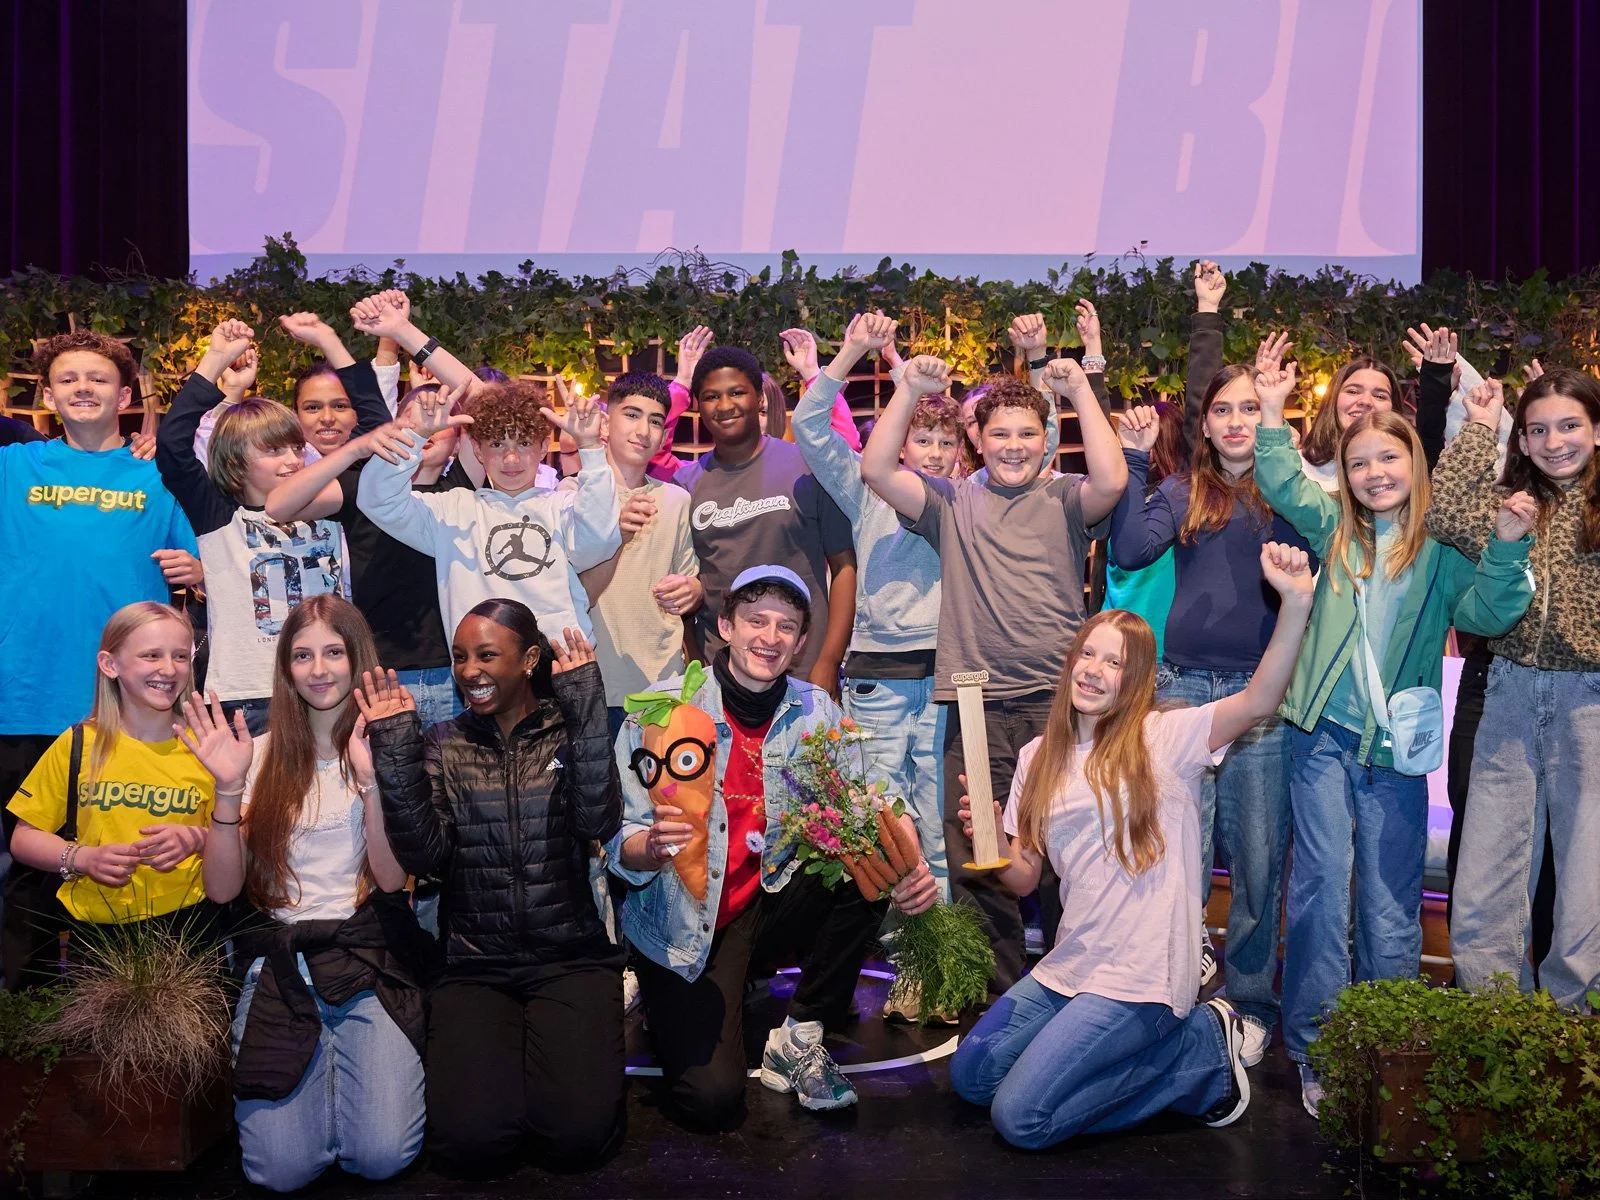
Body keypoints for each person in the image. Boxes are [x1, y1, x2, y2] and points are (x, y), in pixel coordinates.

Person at [948, 542, 1315, 1149]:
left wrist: (1296, 602)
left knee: (1023, 1120)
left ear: (1137, 677)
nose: (1093, 670)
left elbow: (1260, 701)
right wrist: (987, 836)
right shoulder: (1039, 758)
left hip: (1141, 977)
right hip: (1071, 966)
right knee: (974, 1078)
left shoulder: (1166, 737)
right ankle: (1166, 1053)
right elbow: (1022, 878)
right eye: (1087, 654)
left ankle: (1199, 1058)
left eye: (1114, 663)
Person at [1253, 363, 1537, 1117]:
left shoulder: (1440, 547)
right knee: (1316, 894)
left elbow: (1486, 613)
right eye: (1358, 462)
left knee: (1389, 904)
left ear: (1414, 462)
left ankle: (1388, 1042)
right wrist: (1274, 410)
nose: (1375, 472)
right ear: (1343, 474)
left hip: (1396, 755)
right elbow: (1282, 481)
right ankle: (1316, 1048)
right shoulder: (1333, 526)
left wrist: (1507, 547)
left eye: (1389, 458)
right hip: (1321, 740)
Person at [610, 566, 937, 1128]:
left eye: (786, 626)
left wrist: (913, 868)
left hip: (766, 900)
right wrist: (653, 848)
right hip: (685, 922)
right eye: (756, 621)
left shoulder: (816, 712)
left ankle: (801, 1031)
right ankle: (658, 982)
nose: (770, 637)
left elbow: (865, 805)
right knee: (711, 1102)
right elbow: (618, 840)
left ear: (802, 641)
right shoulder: (659, 714)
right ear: (726, 627)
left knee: (867, 858)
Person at [861, 345, 1127, 996]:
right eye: (999, 432)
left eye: (1027, 433)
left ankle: (1079, 990)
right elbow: (875, 467)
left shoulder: (1066, 498)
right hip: (977, 707)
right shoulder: (951, 503)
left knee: (1068, 848)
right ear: (976, 439)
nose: (1012, 445)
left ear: (1046, 440)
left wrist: (1080, 391)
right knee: (983, 855)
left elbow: (1114, 481)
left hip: (1058, 706)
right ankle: (997, 1003)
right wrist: (907, 387)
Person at [1109, 344, 1318, 1068]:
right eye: (1222, 409)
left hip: (1260, 700)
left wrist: (1278, 424)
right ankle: (1175, 998)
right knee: (1176, 863)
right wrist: (1136, 459)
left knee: (1258, 862)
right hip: (1181, 694)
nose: (1235, 421)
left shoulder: (1287, 490)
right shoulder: (1186, 489)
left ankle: (1253, 1004)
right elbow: (1131, 549)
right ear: (1204, 423)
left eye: (1247, 409)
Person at [367, 600, 625, 1176]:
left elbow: (596, 822)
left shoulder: (567, 726)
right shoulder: (444, 742)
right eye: (460, 658)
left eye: (487, 655)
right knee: (472, 1147)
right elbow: (424, 856)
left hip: (570, 959)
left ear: (530, 659)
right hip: (474, 964)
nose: (469, 670)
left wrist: (584, 708)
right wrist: (394, 752)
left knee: (578, 1140)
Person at [179, 596, 426, 1192]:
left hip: (367, 962)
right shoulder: (254, 755)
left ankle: (353, 1085)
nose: (319, 669)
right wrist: (229, 789)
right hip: (280, 970)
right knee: (279, 1172)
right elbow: (222, 889)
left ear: (357, 658)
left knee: (382, 1156)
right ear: (286, 668)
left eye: (334, 653)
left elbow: (392, 881)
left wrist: (372, 782)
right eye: (303, 655)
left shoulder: (390, 749)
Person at [1428, 371, 1600, 1010]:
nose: (1555, 442)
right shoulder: (1512, 503)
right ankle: (1497, 1026)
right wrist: (1477, 429)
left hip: (1592, 702)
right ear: (1521, 442)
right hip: (1509, 692)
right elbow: (1442, 511)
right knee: (1486, 877)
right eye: (1538, 430)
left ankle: (1571, 1030)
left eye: (1569, 425)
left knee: (1587, 881)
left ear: (1596, 429)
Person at [0, 332, 201, 833]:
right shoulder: (13, 467)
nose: (82, 387)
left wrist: (200, 572)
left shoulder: (159, 474)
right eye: (67, 379)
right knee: (29, 871)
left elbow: (208, 563)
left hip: (124, 703)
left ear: (125, 397)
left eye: (98, 378)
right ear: (47, 396)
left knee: (122, 859)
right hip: (25, 694)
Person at [787, 314, 958, 893]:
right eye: (922, 439)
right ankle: (901, 951)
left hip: (945, 682)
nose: (934, 453)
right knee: (879, 825)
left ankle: (942, 969)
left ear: (964, 450)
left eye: (946, 442)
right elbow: (809, 425)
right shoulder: (866, 488)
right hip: (875, 683)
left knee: (938, 828)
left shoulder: (972, 496)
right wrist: (852, 351)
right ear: (900, 442)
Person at [155, 317, 390, 735]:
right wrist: (216, 359)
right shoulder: (218, 512)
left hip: (333, 688)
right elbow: (173, 443)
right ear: (234, 461)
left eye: (296, 448)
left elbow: (376, 427)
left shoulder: (329, 502)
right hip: (251, 694)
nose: (292, 461)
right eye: (273, 450)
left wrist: (328, 339)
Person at [7, 603, 215, 984]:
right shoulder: (79, 744)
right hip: (93, 940)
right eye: (151, 655)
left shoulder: (209, 748)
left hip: (188, 935)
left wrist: (199, 838)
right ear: (110, 664)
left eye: (181, 656)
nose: (169, 669)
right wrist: (82, 858)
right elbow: (23, 837)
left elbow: (246, 834)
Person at [357, 360, 620, 648]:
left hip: (563, 664)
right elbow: (377, 501)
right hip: (481, 667)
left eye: (523, 443)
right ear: (478, 451)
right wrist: (414, 436)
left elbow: (600, 540)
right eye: (497, 445)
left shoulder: (564, 506)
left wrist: (591, 448)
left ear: (544, 448)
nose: (511, 458)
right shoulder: (452, 510)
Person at [265, 376, 476, 730]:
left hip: (450, 670)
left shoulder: (463, 486)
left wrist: (401, 333)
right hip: (379, 668)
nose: (428, 424)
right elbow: (279, 505)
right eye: (415, 417)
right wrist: (356, 448)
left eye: (439, 419)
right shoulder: (365, 487)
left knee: (447, 782)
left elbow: (479, 396)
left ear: (458, 439)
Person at [673, 346, 857, 688]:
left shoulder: (807, 467)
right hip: (721, 672)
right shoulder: (684, 485)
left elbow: (845, 566)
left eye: (737, 392)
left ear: (759, 398)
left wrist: (829, 661)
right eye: (711, 396)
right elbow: (682, 584)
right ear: (697, 406)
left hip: (802, 669)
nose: (725, 405)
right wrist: (696, 661)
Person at [576, 372, 702, 736]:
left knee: (662, 793)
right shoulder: (570, 497)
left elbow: (687, 580)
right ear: (605, 422)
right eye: (631, 414)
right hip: (590, 683)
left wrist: (692, 590)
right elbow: (567, 595)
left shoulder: (676, 500)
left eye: (655, 420)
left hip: (662, 686)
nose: (643, 430)